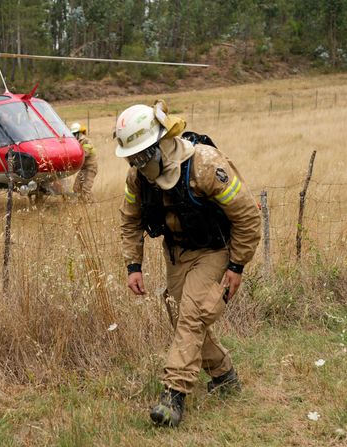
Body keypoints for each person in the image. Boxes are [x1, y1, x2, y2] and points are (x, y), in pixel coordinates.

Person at [116, 100, 261, 427]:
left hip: (215, 251)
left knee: (193, 315)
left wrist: (237, 266)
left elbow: (248, 217)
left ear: (161, 142)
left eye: (142, 155)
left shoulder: (205, 165)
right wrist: (133, 266)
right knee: (184, 319)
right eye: (132, 157)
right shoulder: (137, 179)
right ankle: (224, 375)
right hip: (177, 254)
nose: (138, 163)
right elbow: (130, 221)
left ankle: (173, 394)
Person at [70, 122, 98, 202]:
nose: (74, 135)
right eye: (73, 134)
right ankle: (82, 204)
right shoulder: (77, 142)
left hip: (90, 168)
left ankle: (92, 206)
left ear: (79, 133)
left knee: (85, 189)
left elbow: (84, 154)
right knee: (76, 188)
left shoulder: (86, 141)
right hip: (83, 169)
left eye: (75, 133)